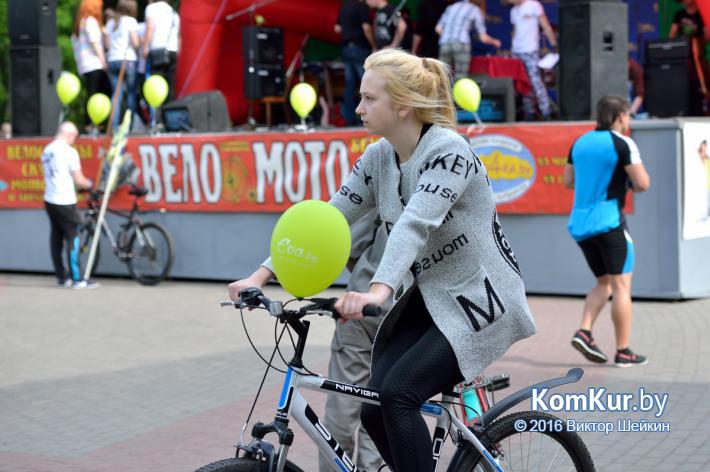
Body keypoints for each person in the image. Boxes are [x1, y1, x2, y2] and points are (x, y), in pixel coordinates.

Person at [229, 48, 536, 472]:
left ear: (404, 104)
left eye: (369, 99)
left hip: (479, 300)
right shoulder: (378, 157)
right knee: (374, 407)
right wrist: (260, 275)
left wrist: (377, 290)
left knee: (399, 394)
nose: (358, 108)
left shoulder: (450, 153)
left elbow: (415, 223)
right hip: (429, 300)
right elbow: (328, 220)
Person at [564, 96, 651, 367]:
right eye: (627, 117)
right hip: (609, 222)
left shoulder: (579, 142)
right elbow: (643, 184)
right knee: (622, 286)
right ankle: (623, 351)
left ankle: (585, 330)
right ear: (622, 116)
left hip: (580, 226)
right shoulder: (623, 143)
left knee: (604, 283)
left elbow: (568, 182)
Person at [319, 209, 388, 472]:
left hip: (361, 314)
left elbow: (348, 243)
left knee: (340, 417)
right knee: (378, 417)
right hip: (403, 320)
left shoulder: (382, 177)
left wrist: (366, 274)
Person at [41, 122, 100, 290]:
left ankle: (61, 277)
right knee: (73, 236)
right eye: (74, 136)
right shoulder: (68, 152)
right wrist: (90, 185)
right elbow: (79, 180)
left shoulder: (47, 150)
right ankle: (77, 278)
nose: (75, 140)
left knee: (56, 238)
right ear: (68, 134)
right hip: (64, 200)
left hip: (50, 198)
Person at [509, 0, 556, 120]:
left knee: (536, 82)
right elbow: (515, 30)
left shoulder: (534, 5)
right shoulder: (513, 10)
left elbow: (545, 24)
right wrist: (511, 48)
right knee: (522, 82)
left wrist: (554, 44)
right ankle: (528, 112)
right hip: (516, 51)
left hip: (530, 50)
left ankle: (546, 112)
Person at [435, 0, 502, 79]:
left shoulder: (451, 7)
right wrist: (494, 41)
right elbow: (483, 37)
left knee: (442, 75)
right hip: (462, 43)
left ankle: (442, 91)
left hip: (444, 43)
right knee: (460, 76)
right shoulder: (474, 9)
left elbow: (438, 29)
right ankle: (456, 91)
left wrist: (448, 35)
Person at [335, 0, 376, 127]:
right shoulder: (362, 6)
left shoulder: (344, 6)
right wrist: (373, 44)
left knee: (349, 85)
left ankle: (349, 120)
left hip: (346, 49)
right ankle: (368, 118)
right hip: (360, 48)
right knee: (367, 85)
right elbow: (366, 27)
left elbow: (337, 28)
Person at [104, 0, 140, 129]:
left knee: (116, 94)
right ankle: (129, 125)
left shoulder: (111, 23)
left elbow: (107, 45)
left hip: (113, 60)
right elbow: (135, 43)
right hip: (127, 59)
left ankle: (113, 125)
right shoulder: (130, 21)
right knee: (131, 93)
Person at [143, 0, 180, 102]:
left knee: (156, 87)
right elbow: (178, 35)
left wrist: (145, 47)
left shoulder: (151, 8)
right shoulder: (174, 12)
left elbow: (150, 27)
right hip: (173, 51)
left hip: (157, 50)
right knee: (170, 86)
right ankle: (170, 114)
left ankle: (157, 116)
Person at [71, 0, 110, 98]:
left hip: (85, 65)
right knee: (96, 96)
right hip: (95, 64)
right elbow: (95, 42)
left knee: (91, 94)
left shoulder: (80, 23)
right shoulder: (90, 21)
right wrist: (103, 62)